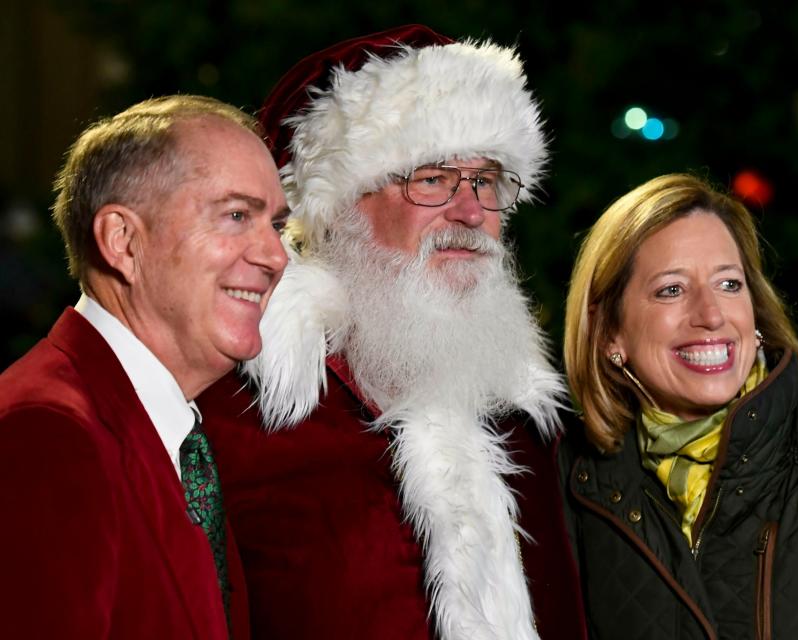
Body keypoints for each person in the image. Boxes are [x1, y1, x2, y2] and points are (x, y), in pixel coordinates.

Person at [196, 24, 586, 640]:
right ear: (341, 208)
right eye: (430, 179)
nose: (471, 211)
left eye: (485, 181)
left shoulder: (528, 419)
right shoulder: (233, 414)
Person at [559, 173, 798, 639]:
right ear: (610, 333)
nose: (711, 315)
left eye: (729, 284)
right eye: (671, 289)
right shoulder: (573, 484)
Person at [0, 95, 290, 640]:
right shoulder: (44, 434)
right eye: (235, 216)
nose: (276, 256)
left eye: (275, 224)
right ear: (122, 241)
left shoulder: (179, 438)